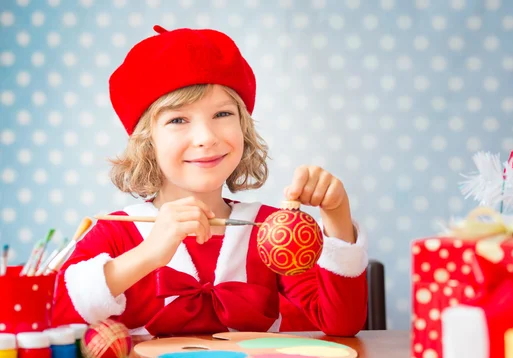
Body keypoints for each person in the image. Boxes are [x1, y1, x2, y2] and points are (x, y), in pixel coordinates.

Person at [51, 25, 368, 337]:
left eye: (222, 115)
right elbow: (55, 319)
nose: (205, 138)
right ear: (146, 142)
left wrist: (337, 212)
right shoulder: (114, 233)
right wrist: (148, 255)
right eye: (177, 120)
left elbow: (341, 325)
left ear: (243, 128)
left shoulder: (272, 229)